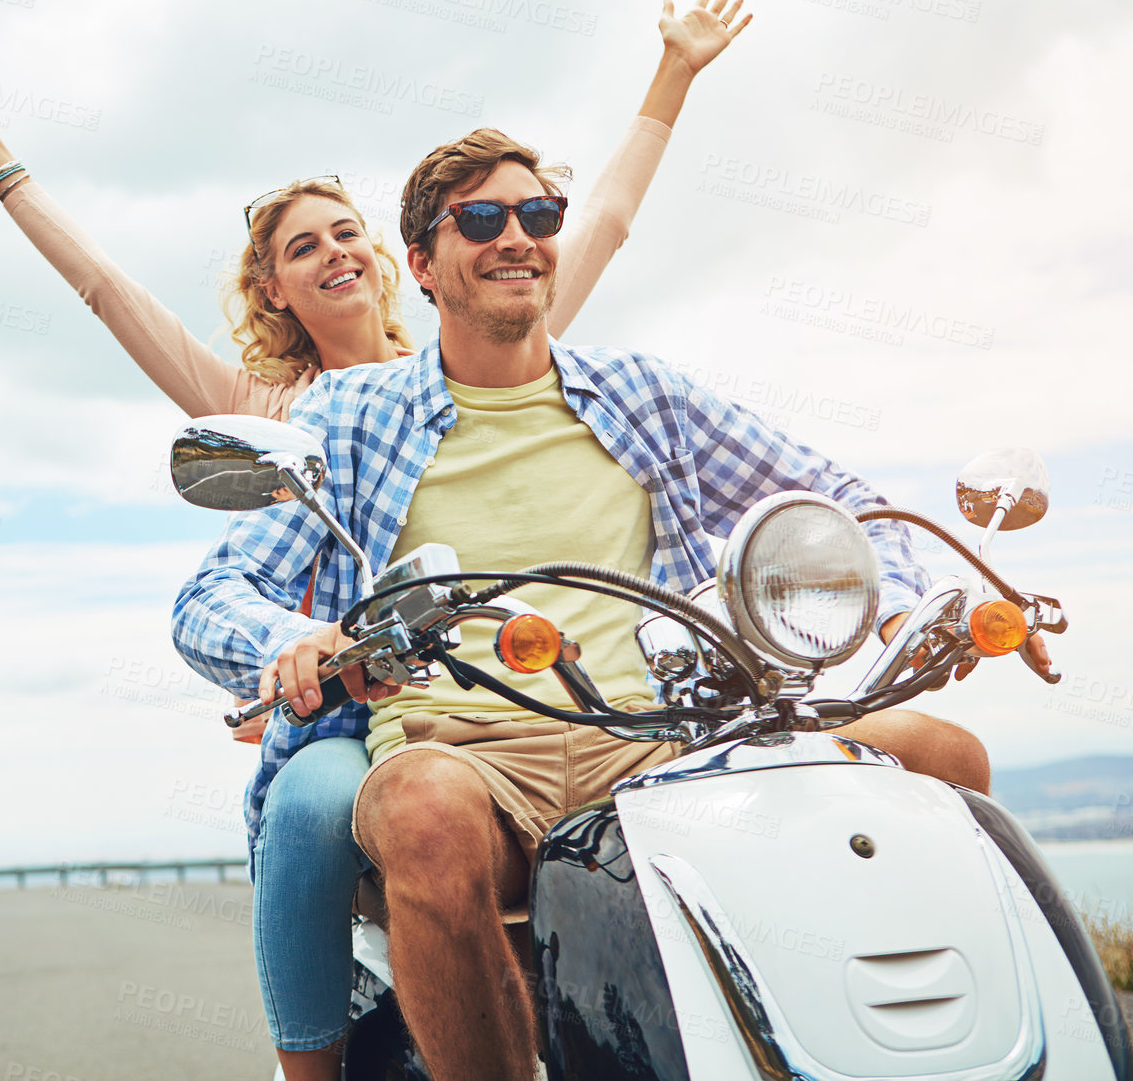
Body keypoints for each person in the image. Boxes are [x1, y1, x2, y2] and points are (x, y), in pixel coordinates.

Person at [0, 0, 754, 1080]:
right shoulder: (266, 402)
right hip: (366, 698)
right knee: (307, 806)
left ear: (396, 257)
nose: (335, 253)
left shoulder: (477, 342)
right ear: (275, 286)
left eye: (348, 232)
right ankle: (312, 1068)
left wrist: (674, 69)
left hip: (553, 684)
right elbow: (109, 293)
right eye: (304, 247)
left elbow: (607, 218)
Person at [171, 122, 1024, 1080]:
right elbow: (211, 597)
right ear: (421, 261)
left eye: (536, 214)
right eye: (480, 219)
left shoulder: (642, 391)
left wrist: (901, 604)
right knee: (418, 812)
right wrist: (299, 638)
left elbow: (849, 503)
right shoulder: (352, 411)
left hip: (661, 734)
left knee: (943, 758)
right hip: (471, 750)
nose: (515, 236)